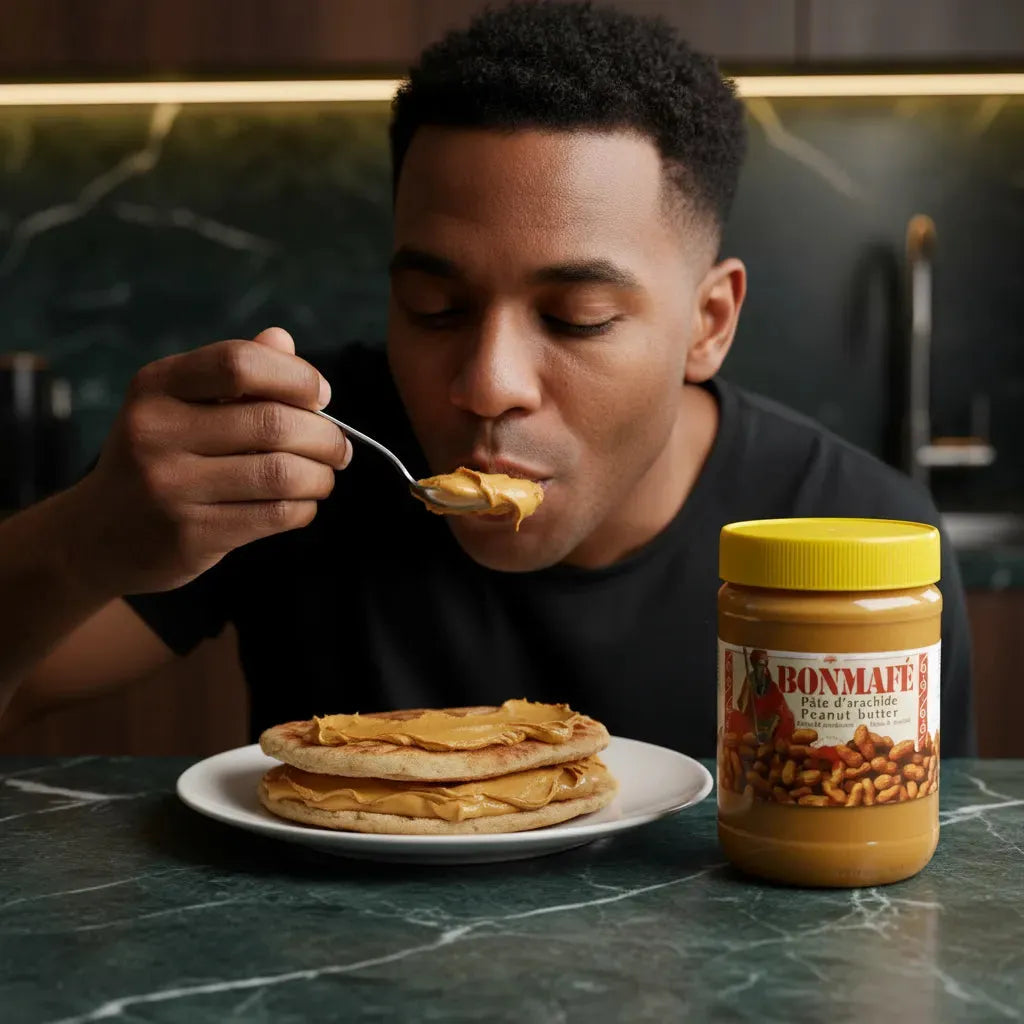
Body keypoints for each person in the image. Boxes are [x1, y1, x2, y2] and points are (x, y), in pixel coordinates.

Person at [0, 1, 974, 757]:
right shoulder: (293, 464)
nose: (486, 384)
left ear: (707, 324)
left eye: (574, 318)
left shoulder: (861, 548)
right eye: (435, 309)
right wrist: (89, 531)